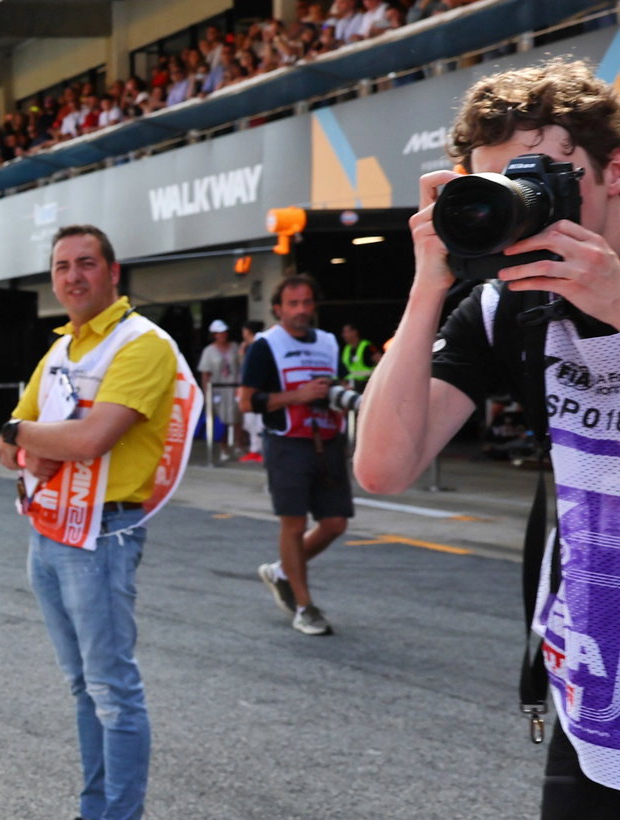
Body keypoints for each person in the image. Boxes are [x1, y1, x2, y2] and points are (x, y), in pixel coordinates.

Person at [354, 58, 620, 817]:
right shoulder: (509, 307)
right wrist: (429, 284)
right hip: (596, 692)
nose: (523, 206)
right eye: (498, 189)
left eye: (543, 177)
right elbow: (382, 467)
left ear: (613, 172)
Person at [0, 225, 198, 820]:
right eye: (61, 266)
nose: (72, 276)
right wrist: (33, 441)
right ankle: (95, 811)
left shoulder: (142, 343)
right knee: (85, 688)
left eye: (86, 263)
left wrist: (29, 437)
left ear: (113, 271)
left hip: (102, 536)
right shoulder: (61, 349)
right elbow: (8, 448)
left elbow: (91, 437)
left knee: (112, 691)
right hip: (48, 531)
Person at [238, 275, 351, 636]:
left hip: (328, 439)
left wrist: (337, 391)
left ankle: (280, 570)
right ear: (278, 308)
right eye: (293, 304)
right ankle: (304, 606)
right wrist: (297, 396)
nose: (301, 310)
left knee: (335, 524)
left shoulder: (330, 343)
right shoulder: (265, 346)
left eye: (306, 303)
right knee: (295, 524)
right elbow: (247, 400)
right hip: (288, 441)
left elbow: (344, 384)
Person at [197, 319, 242, 455]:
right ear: (214, 334)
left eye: (224, 333)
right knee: (221, 419)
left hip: (234, 387)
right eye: (219, 333)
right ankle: (224, 447)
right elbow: (205, 374)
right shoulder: (209, 351)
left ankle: (238, 444)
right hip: (218, 390)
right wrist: (206, 393)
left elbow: (241, 365)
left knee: (237, 417)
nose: (222, 335)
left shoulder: (235, 347)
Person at [237, 320, 267, 461]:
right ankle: (255, 449)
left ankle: (262, 451)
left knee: (259, 423)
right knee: (250, 423)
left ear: (247, 331)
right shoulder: (250, 346)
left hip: (258, 390)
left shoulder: (259, 344)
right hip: (250, 389)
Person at [339, 322, 381, 392]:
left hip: (366, 386)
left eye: (346, 332)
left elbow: (381, 361)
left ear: (354, 332)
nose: (343, 335)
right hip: (351, 388)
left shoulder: (367, 346)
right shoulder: (346, 349)